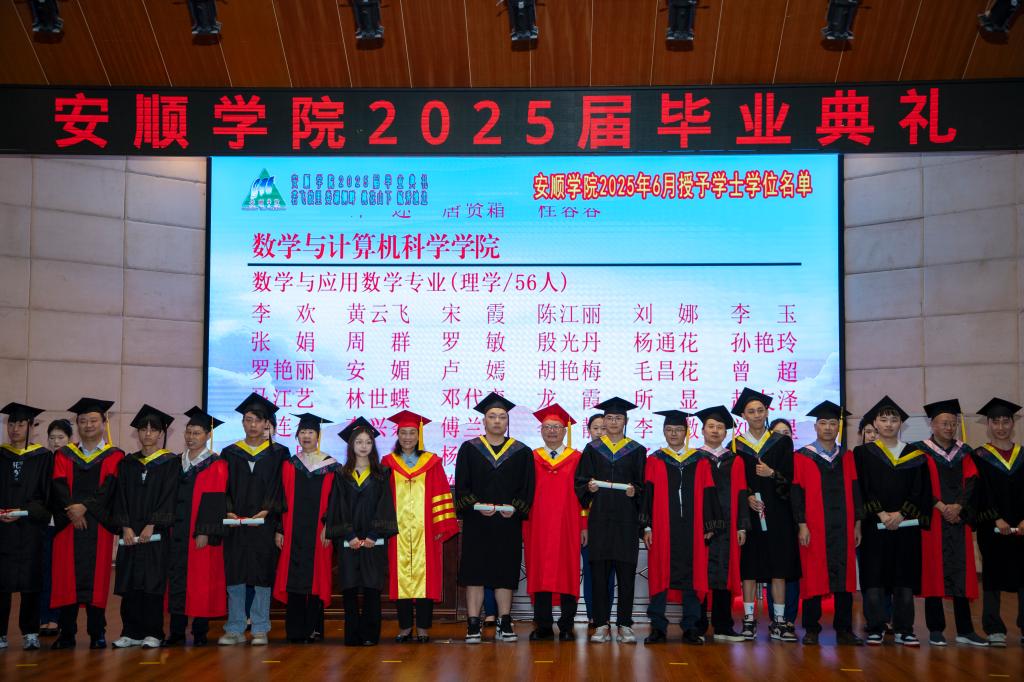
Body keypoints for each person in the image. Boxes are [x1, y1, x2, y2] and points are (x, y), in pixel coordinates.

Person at [454, 393, 534, 644]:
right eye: (492, 416)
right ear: (484, 421)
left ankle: (505, 621)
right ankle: (473, 624)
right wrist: (475, 506)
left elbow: (527, 488)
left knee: (504, 573)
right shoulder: (469, 449)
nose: (497, 421)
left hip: (507, 522)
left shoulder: (521, 452)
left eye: (502, 417)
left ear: (507, 421)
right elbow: (462, 486)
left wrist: (514, 508)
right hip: (477, 522)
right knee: (475, 573)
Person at [855, 395, 931, 647]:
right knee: (874, 577)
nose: (888, 424)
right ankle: (875, 626)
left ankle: (904, 628)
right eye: (884, 419)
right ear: (875, 423)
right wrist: (881, 513)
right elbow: (863, 488)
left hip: (905, 527)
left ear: (901, 424)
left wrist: (901, 514)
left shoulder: (915, 455)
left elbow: (920, 490)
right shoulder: (863, 454)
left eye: (894, 420)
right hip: (874, 526)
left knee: (904, 577)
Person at [50, 397, 125, 650]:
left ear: (104, 423)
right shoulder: (64, 454)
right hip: (69, 525)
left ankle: (97, 632)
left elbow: (109, 488)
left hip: (98, 526)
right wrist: (73, 511)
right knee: (66, 578)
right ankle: (67, 633)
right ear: (77, 424)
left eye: (93, 420)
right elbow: (59, 485)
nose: (88, 425)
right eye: (83, 421)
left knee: (97, 580)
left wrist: (84, 507)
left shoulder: (115, 455)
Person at [380, 411, 458, 643]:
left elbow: (441, 493)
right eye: (403, 433)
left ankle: (423, 627)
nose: (407, 437)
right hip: (397, 531)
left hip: (426, 531)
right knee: (401, 576)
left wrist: (440, 526)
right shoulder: (387, 463)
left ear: (418, 435)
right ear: (397, 435)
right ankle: (405, 627)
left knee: (426, 578)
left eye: (412, 433)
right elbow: (382, 498)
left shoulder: (432, 463)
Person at [790, 401, 863, 646]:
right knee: (813, 576)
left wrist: (857, 524)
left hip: (843, 526)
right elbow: (797, 493)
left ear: (838, 427)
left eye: (833, 423)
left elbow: (855, 491)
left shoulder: (847, 457)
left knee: (844, 578)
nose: (828, 427)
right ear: (815, 427)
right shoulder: (802, 456)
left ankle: (844, 629)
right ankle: (812, 628)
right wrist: (802, 524)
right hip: (814, 527)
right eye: (823, 423)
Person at [643, 409, 719, 645]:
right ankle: (658, 627)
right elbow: (647, 495)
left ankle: (691, 627)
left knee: (693, 575)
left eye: (678, 430)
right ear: (664, 432)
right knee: (660, 574)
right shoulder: (655, 460)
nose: (673, 433)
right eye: (669, 430)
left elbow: (709, 492)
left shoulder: (700, 461)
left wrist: (709, 524)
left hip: (693, 528)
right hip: (663, 528)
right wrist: (647, 526)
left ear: (686, 432)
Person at [915, 399, 987, 647]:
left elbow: (973, 482)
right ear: (932, 424)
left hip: (958, 519)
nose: (949, 427)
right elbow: (918, 485)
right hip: (933, 519)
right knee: (933, 571)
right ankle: (936, 630)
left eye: (952, 423)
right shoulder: (920, 451)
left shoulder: (964, 452)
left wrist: (958, 507)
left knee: (962, 572)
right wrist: (940, 505)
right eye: (944, 423)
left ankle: (965, 630)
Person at [218, 393, 288, 646]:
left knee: (262, 575)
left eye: (258, 420)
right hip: (235, 525)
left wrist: (268, 510)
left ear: (267, 423)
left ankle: (260, 628)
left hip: (264, 525)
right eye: (248, 420)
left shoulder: (279, 453)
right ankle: (235, 627)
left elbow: (281, 487)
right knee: (235, 575)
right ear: (242, 422)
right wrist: (228, 510)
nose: (252, 425)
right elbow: (222, 487)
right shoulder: (230, 452)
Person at [575, 396, 647, 644]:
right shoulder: (592, 449)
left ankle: (625, 623)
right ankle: (601, 623)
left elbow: (643, 485)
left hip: (626, 521)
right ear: (604, 421)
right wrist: (589, 488)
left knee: (626, 574)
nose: (614, 422)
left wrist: (636, 491)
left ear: (625, 421)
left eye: (618, 418)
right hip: (600, 520)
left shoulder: (637, 450)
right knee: (599, 574)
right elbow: (580, 482)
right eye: (609, 418)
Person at [730, 388, 799, 642]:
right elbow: (733, 482)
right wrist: (747, 497)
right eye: (751, 411)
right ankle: (749, 620)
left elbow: (791, 480)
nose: (757, 415)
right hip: (750, 515)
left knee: (778, 567)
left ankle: (779, 621)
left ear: (767, 412)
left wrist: (772, 474)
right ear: (743, 416)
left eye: (761, 410)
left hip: (778, 513)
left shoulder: (782, 442)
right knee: (749, 567)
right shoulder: (736, 446)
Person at [111, 405, 178, 649]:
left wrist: (153, 523)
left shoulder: (170, 463)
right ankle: (130, 631)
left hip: (155, 535)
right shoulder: (127, 463)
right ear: (137, 433)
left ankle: (154, 632)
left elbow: (170, 495)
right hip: (130, 533)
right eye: (143, 429)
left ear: (160, 433)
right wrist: (125, 526)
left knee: (152, 583)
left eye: (153, 429)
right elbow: (120, 496)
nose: (147, 433)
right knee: (129, 582)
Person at [327, 417, 398, 646]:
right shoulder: (341, 474)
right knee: (349, 588)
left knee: (371, 588)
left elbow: (385, 506)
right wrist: (349, 535)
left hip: (373, 541)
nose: (364, 446)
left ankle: (370, 634)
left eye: (368, 442)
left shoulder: (382, 473)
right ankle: (352, 635)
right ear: (351, 445)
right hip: (348, 541)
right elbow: (337, 507)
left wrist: (373, 535)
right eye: (359, 442)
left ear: (373, 445)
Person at [273, 414, 339, 644]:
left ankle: (314, 628)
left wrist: (329, 526)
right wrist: (280, 529)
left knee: (317, 577)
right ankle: (295, 630)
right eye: (302, 432)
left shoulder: (331, 466)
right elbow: (281, 499)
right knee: (294, 577)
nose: (306, 436)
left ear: (318, 436)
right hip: (293, 531)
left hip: (319, 531)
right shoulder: (290, 465)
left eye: (311, 432)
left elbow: (335, 501)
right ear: (297, 436)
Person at [523, 404, 587, 641]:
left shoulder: (577, 458)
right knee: (539, 571)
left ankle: (567, 625)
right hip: (537, 524)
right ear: (541, 430)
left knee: (568, 572)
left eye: (556, 427)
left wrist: (584, 525)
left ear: (564, 431)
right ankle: (543, 625)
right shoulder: (531, 458)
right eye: (547, 427)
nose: (552, 431)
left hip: (568, 524)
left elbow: (584, 496)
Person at [165, 406, 227, 647]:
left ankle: (200, 632)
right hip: (176, 532)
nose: (191, 437)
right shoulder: (176, 462)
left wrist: (204, 531)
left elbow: (215, 501)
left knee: (201, 581)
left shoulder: (215, 464)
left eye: (197, 433)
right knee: (177, 579)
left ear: (207, 436)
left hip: (198, 533)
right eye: (189, 432)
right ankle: (177, 632)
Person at [971, 397, 1024, 647]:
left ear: (1012, 423)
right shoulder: (979, 456)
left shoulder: (1023, 454)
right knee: (992, 576)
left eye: (1005, 421)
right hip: (991, 526)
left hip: (1022, 527)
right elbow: (979, 493)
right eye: (996, 422)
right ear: (988, 424)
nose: (1001, 427)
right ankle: (994, 629)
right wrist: (996, 518)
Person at [0, 403, 52, 651]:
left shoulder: (43, 457)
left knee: (32, 582)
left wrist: (25, 511)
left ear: (31, 426)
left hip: (31, 529)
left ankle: (30, 632)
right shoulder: (1, 455)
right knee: (1, 583)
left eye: (21, 424)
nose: (15, 429)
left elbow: (47, 494)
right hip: (2, 530)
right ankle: (0, 634)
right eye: (11, 424)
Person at [695, 406, 748, 642]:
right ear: (702, 430)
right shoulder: (694, 458)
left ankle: (723, 625)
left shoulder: (734, 460)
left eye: (720, 427)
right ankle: (696, 625)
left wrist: (742, 525)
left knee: (724, 573)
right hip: (699, 526)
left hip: (728, 525)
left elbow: (741, 493)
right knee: (699, 573)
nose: (715, 431)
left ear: (726, 433)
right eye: (711, 426)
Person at [39, 419, 72, 636]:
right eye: (52, 438)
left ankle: (57, 618)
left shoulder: (74, 461)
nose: (56, 442)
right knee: (44, 573)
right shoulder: (43, 461)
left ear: (70, 439)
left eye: (61, 437)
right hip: (44, 525)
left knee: (61, 574)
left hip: (66, 524)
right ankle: (45, 617)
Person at [581, 413, 613, 625]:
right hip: (590, 524)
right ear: (589, 431)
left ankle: (606, 615)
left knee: (610, 571)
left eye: (604, 428)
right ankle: (592, 614)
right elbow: (580, 496)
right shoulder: (585, 456)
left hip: (613, 523)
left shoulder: (617, 456)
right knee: (591, 570)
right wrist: (583, 525)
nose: (600, 432)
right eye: (596, 428)